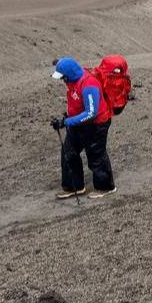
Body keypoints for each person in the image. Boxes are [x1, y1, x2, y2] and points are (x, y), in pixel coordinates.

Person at [50, 57, 116, 199]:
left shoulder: (89, 84)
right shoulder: (73, 81)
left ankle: (105, 187)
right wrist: (66, 118)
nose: (63, 80)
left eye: (63, 77)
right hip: (79, 123)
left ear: (69, 74)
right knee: (68, 152)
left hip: (96, 124)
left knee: (96, 155)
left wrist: (66, 122)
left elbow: (91, 113)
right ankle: (73, 186)